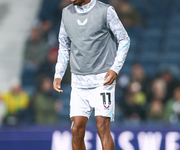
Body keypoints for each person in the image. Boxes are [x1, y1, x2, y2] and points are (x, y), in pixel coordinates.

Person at [53, 0, 130, 149]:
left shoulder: (105, 11)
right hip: (78, 82)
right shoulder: (66, 13)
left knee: (102, 127)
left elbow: (124, 40)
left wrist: (115, 68)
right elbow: (63, 45)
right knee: (76, 129)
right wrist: (58, 74)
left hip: (102, 80)